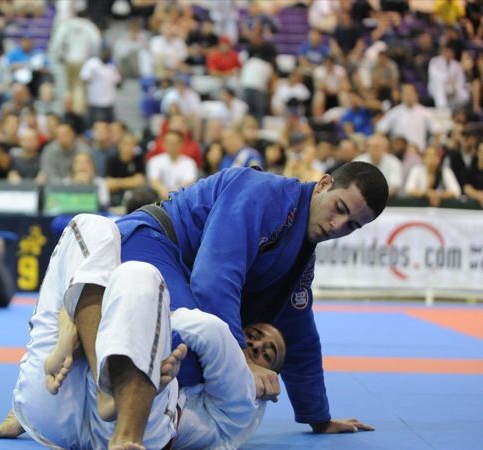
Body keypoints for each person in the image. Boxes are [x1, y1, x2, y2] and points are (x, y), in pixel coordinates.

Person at [110, 162, 387, 433]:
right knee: (190, 356)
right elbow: (214, 280)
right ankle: (107, 403)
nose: (337, 225)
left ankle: (146, 416)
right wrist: (243, 361)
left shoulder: (301, 253)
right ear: (323, 184)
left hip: (178, 269)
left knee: (200, 365)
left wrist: (318, 416)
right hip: (149, 241)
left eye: (351, 225)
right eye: (339, 208)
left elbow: (298, 331)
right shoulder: (263, 192)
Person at [0, 214, 287, 449]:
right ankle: (101, 378)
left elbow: (209, 329)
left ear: (272, 378)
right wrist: (74, 324)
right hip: (57, 404)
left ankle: (123, 432)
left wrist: (106, 320)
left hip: (140, 425)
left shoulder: (243, 410)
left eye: (267, 354)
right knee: (91, 226)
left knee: (140, 275)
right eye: (255, 335)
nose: (256, 345)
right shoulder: (202, 356)